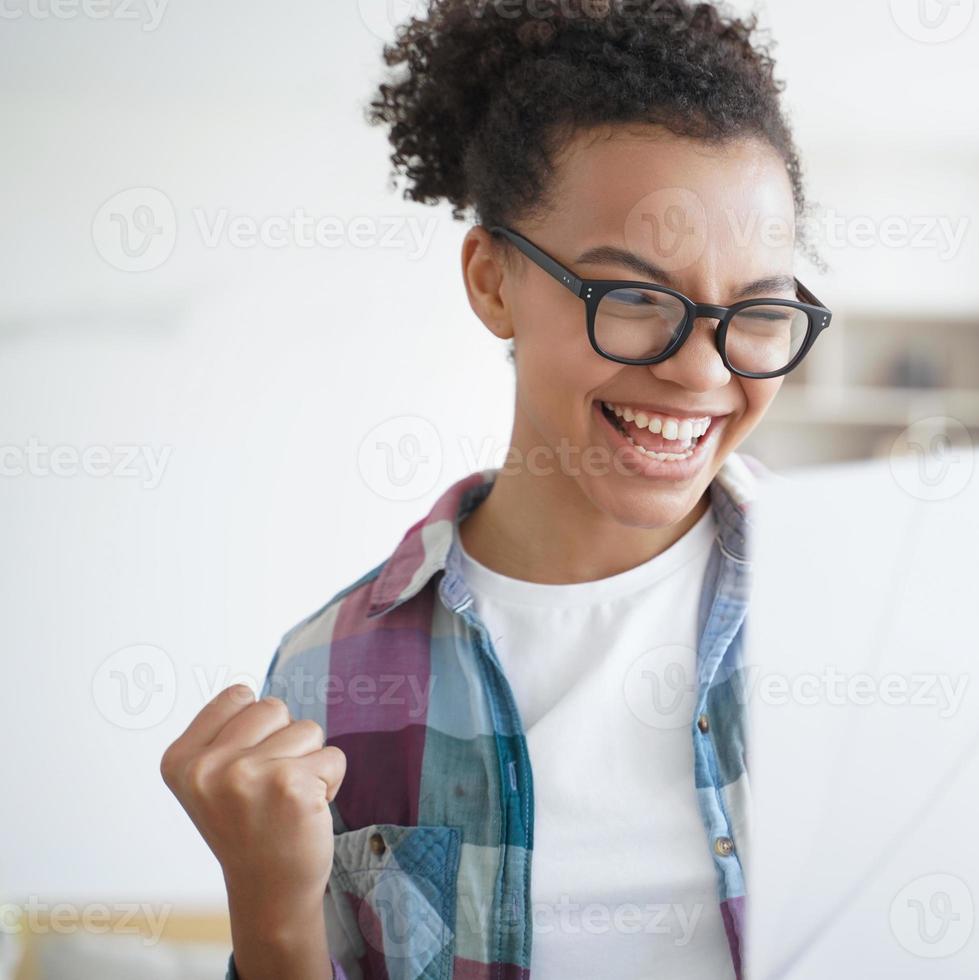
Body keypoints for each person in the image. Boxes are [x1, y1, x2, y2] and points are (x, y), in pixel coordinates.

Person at [159, 1, 832, 978]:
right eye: (637, 296)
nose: (701, 372)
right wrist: (271, 919)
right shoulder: (326, 678)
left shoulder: (873, 606)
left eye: (758, 309)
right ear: (492, 279)